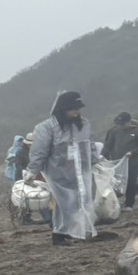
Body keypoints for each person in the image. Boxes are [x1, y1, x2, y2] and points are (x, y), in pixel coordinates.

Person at [27, 91, 97, 246]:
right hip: (58, 172)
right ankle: (59, 234)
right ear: (63, 109)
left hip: (80, 172)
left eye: (78, 108)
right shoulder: (47, 128)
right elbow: (39, 151)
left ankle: (77, 231)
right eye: (72, 108)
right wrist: (32, 171)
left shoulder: (83, 124)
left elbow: (89, 144)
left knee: (82, 201)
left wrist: (95, 161)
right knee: (62, 203)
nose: (76, 112)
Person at [101, 110, 138, 211]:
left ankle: (129, 204)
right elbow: (108, 145)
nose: (121, 126)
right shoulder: (114, 131)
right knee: (115, 183)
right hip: (117, 162)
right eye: (120, 124)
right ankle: (114, 204)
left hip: (131, 162)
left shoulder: (137, 131)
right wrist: (102, 155)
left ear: (129, 121)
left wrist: (133, 152)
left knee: (131, 182)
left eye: (123, 124)